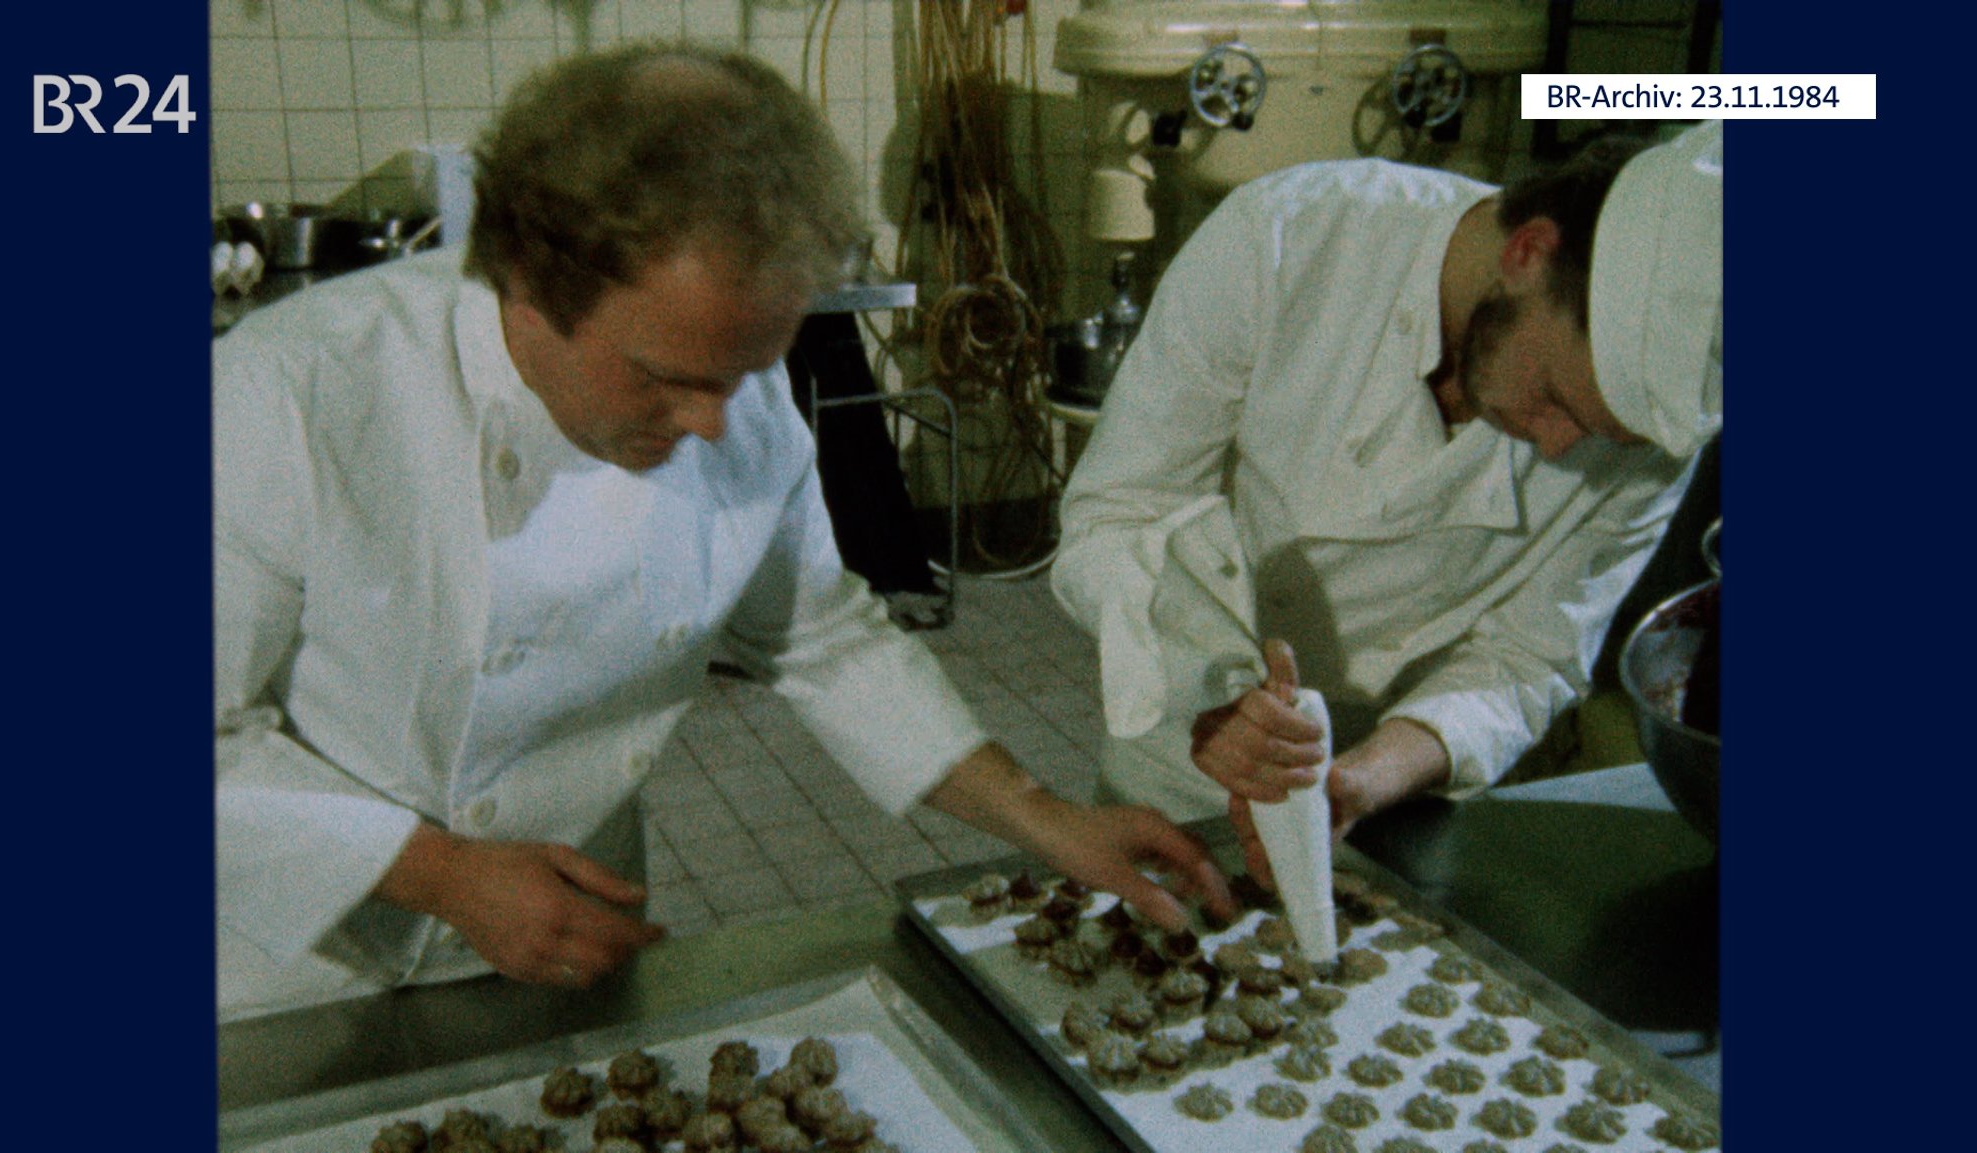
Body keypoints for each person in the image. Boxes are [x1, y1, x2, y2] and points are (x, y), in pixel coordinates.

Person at [214, 43, 1233, 1023]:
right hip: (293, 962)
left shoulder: (723, 387)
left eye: (743, 375)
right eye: (666, 379)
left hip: (566, 924)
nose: (712, 423)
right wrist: (444, 876)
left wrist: (1043, 814)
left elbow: (816, 633)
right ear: (524, 288)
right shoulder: (292, 394)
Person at [1051, 121, 1723, 843]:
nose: (1562, 446)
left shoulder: (1656, 429)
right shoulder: (1289, 239)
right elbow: (1112, 517)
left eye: (1598, 434)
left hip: (1400, 798)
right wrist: (1202, 688)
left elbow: (1532, 658)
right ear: (1528, 251)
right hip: (1182, 759)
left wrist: (1363, 779)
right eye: (1557, 395)